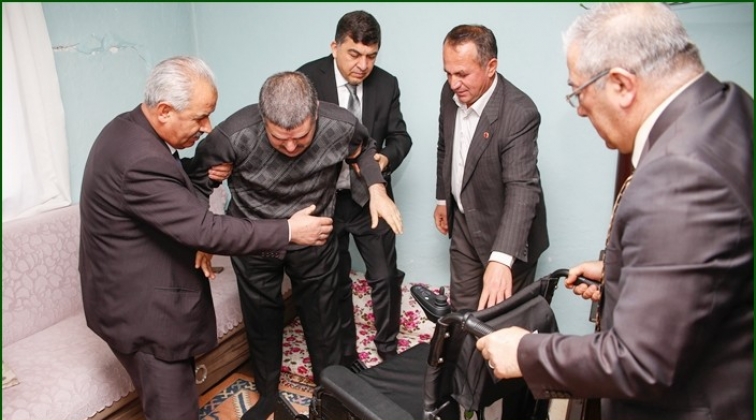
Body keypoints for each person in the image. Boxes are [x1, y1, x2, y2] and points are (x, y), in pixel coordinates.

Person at [476, 3, 753, 419]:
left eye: (578, 92)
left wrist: (524, 352)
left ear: (622, 84)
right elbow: (711, 263)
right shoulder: (730, 106)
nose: (580, 109)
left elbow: (643, 362)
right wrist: (623, 273)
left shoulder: (679, 175)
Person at [78, 56, 334, 420]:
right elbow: (206, 229)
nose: (207, 127)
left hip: (126, 299)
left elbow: (165, 180)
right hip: (146, 316)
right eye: (200, 117)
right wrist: (289, 229)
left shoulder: (126, 129)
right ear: (164, 110)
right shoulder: (140, 159)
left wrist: (200, 170)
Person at [185, 71, 403, 420]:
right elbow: (199, 179)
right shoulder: (232, 134)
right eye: (279, 138)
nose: (290, 148)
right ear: (262, 119)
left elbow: (363, 150)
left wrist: (376, 189)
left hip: (314, 238)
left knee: (324, 322)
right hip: (256, 241)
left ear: (316, 114)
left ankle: (330, 396)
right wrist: (202, 234)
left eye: (301, 138)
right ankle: (268, 395)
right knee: (262, 320)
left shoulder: (340, 124)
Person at [297, 10, 412, 364]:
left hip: (370, 200)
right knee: (336, 281)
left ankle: (388, 351)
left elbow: (400, 137)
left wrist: (385, 159)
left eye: (371, 56)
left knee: (385, 277)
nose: (363, 65)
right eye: (355, 54)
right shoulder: (306, 79)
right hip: (326, 201)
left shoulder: (387, 84)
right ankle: (348, 357)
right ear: (335, 46)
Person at [434, 24, 549, 312]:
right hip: (464, 223)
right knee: (462, 316)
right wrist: (442, 199)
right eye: (448, 73)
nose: (453, 84)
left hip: (507, 232)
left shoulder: (519, 113)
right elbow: (445, 147)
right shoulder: (450, 94)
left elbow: (522, 188)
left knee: (502, 322)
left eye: (462, 74)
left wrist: (501, 258)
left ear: (491, 66)